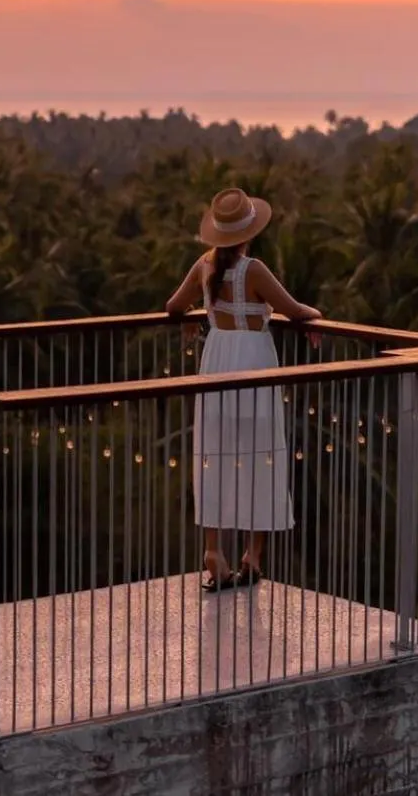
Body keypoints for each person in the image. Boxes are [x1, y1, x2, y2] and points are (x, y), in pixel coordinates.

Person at [165, 187, 323, 593]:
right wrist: (315, 316)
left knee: (215, 455)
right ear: (249, 233)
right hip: (254, 365)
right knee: (259, 457)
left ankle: (213, 550)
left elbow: (172, 305)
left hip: (216, 362)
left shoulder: (204, 266)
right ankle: (253, 555)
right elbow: (295, 309)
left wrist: (194, 316)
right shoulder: (254, 270)